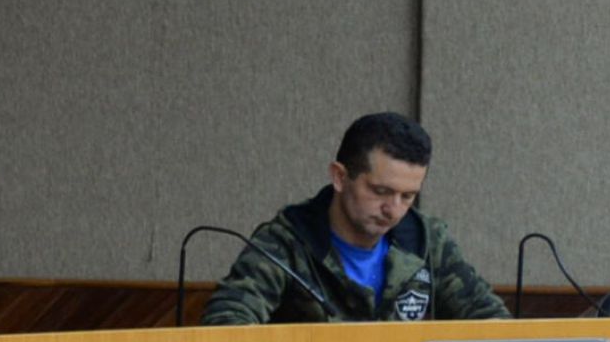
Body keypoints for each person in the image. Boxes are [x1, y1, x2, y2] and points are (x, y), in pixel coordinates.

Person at [203, 112, 507, 326]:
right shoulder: (287, 241)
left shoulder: (427, 241)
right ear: (340, 177)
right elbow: (228, 323)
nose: (394, 209)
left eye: (408, 196)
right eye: (380, 191)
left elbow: (491, 322)